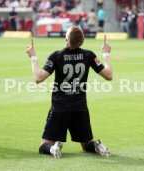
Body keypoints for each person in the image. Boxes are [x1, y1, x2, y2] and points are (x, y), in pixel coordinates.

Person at [26, 26, 113, 159]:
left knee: (44, 145)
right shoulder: (88, 55)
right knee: (86, 145)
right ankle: (96, 145)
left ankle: (53, 149)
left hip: (60, 107)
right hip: (80, 107)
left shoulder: (57, 56)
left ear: (66, 40)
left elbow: (38, 78)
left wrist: (33, 57)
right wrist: (106, 54)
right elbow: (109, 75)